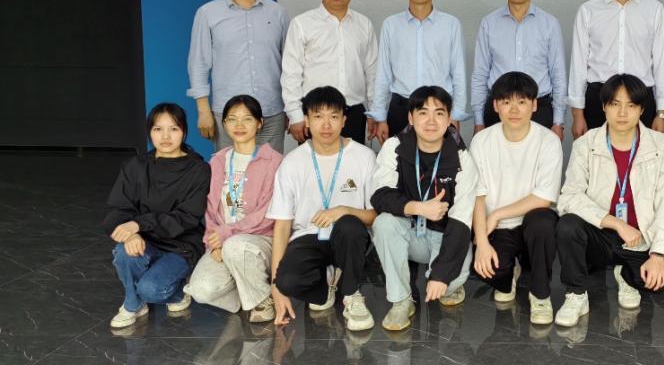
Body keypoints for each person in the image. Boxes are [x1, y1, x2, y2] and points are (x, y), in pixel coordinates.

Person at [554, 74, 664, 327]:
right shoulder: (586, 144)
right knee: (567, 225)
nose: (622, 113)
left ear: (642, 109)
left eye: (631, 105)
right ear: (603, 107)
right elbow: (569, 197)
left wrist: (657, 254)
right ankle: (576, 294)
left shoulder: (661, 145)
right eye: (615, 104)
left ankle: (626, 275)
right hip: (601, 233)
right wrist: (616, 223)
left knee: (655, 283)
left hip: (641, 238)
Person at [266, 86, 378, 331]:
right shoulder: (292, 162)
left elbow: (373, 216)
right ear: (306, 120)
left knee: (349, 226)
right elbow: (282, 225)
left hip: (349, 238)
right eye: (318, 116)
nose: (326, 125)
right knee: (287, 281)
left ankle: (351, 295)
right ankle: (326, 282)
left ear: (344, 120)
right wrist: (276, 286)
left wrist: (343, 210)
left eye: (334, 116)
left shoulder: (364, 156)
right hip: (308, 237)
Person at [370, 86, 476, 331]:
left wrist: (440, 275)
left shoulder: (462, 158)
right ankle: (401, 301)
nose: (431, 121)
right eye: (423, 112)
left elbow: (462, 220)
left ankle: (449, 283)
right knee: (383, 223)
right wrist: (417, 207)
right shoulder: (394, 146)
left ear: (449, 120)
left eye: (439, 113)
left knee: (445, 285)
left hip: (445, 236)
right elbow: (380, 196)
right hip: (408, 232)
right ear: (410, 117)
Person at [104, 103, 210, 328]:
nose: (165, 137)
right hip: (146, 241)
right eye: (158, 129)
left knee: (151, 289)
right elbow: (118, 210)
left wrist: (138, 224)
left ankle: (177, 291)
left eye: (173, 129)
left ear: (184, 131)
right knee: (123, 251)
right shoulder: (135, 166)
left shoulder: (198, 170)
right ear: (149, 132)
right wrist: (132, 233)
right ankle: (132, 304)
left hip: (180, 246)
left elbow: (186, 217)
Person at [469, 72, 562, 324]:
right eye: (506, 102)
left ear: (534, 105)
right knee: (490, 270)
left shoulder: (548, 141)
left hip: (532, 225)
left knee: (543, 221)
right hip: (497, 229)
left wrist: (497, 214)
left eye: (522, 102)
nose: (514, 109)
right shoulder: (481, 141)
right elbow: (478, 197)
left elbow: (544, 198)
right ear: (495, 105)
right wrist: (481, 242)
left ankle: (540, 295)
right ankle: (509, 271)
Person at [184, 95, 284, 323]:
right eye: (232, 119)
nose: (239, 125)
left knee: (236, 246)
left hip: (260, 240)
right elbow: (211, 209)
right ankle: (246, 291)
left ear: (259, 123)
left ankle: (262, 300)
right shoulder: (218, 161)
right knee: (200, 290)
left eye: (247, 119)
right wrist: (213, 242)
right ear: (224, 124)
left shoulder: (274, 161)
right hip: (222, 240)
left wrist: (226, 234)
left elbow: (267, 215)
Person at [568, 0, 664, 138]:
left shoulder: (654, 9)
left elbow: (662, 64)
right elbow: (578, 65)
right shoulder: (588, 10)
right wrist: (577, 114)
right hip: (598, 98)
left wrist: (662, 114)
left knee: (642, 156)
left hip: (641, 98)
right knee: (597, 155)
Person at [187, 0, 290, 153]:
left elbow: (290, 64)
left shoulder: (278, 13)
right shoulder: (207, 13)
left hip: (271, 113)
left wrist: (291, 109)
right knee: (230, 171)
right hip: (228, 116)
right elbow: (198, 63)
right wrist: (203, 111)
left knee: (271, 170)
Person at [369, 0, 468, 143]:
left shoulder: (450, 24)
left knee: (440, 160)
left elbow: (459, 73)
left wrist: (456, 114)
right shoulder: (391, 25)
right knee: (399, 159)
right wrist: (380, 117)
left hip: (439, 108)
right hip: (401, 108)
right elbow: (383, 73)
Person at [281, 0, 378, 145]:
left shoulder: (364, 24)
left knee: (353, 163)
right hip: (315, 114)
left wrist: (375, 112)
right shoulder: (302, 23)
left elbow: (372, 72)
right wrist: (295, 115)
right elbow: (291, 73)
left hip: (353, 114)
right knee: (314, 163)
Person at [471, 0, 567, 140]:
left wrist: (558, 121)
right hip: (498, 109)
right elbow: (480, 74)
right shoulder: (489, 23)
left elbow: (558, 74)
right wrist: (478, 121)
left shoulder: (549, 24)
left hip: (539, 109)